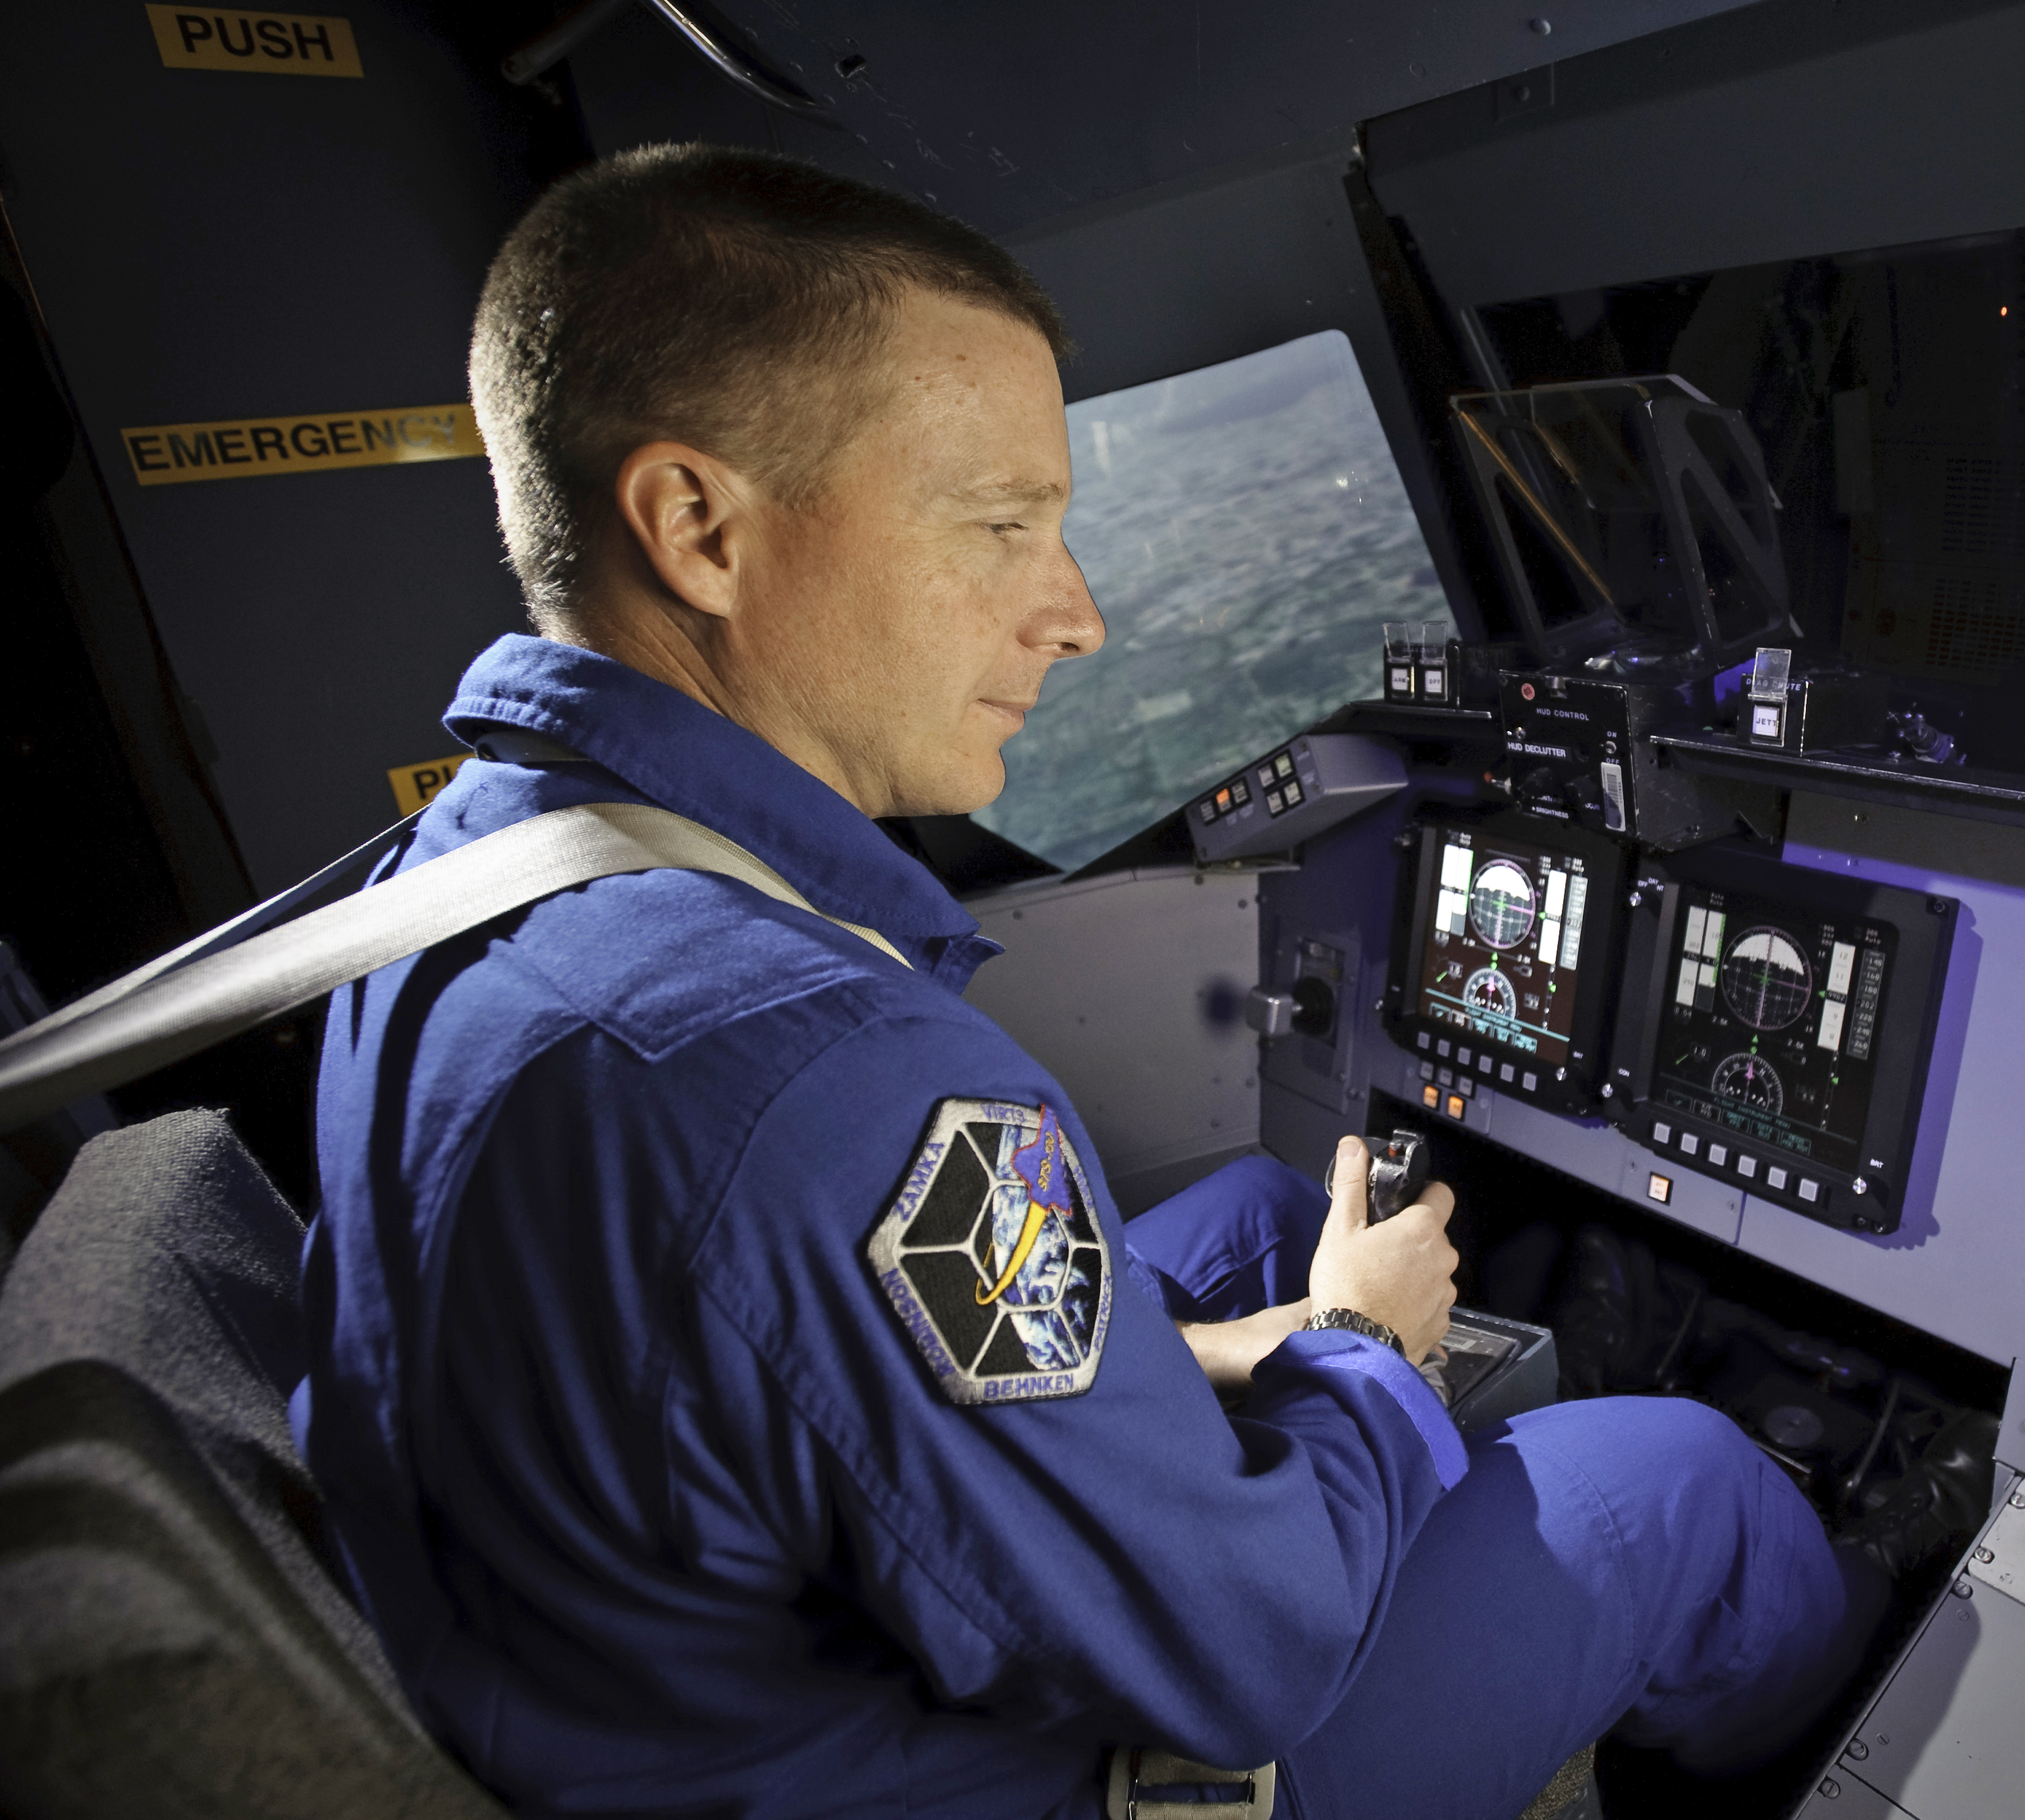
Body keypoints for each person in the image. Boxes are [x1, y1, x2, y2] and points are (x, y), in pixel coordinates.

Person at [302, 142, 1895, 1820]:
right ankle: (1840, 1689)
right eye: (1002, 524)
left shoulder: (471, 868)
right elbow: (1242, 1659)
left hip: (642, 1667)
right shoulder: (815, 1075)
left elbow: (784, 1349)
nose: (1076, 616)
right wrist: (1355, 1350)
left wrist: (1251, 1346)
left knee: (1255, 1212)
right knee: (1682, 1485)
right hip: (982, 1779)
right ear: (696, 526)